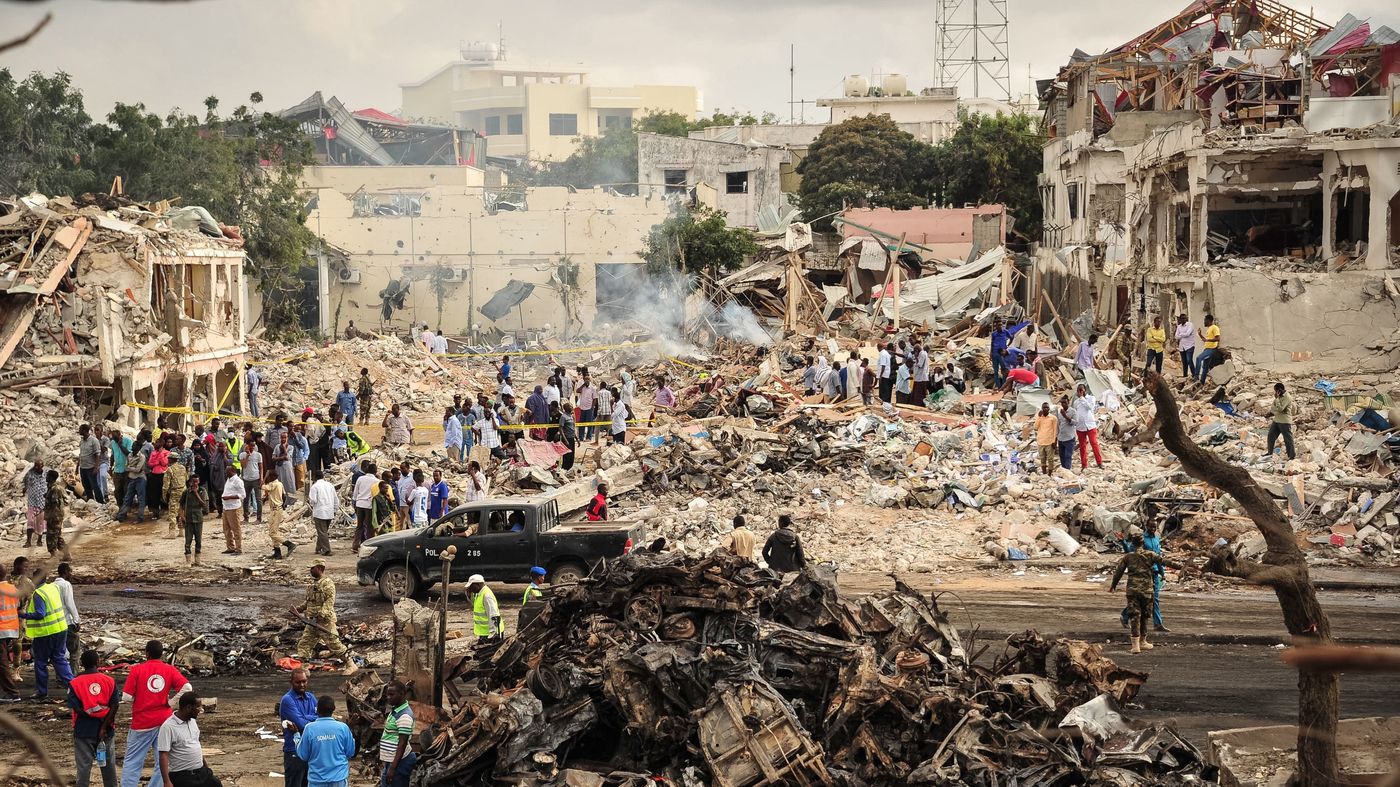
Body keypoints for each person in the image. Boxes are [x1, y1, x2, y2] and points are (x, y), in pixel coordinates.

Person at [119, 640, 191, 787]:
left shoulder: (137, 670)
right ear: (162, 654)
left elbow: (126, 697)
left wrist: (139, 698)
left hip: (142, 722)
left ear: (146, 654)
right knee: (163, 760)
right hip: (164, 721)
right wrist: (171, 703)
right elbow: (187, 687)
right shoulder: (169, 669)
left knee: (133, 761)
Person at [1108, 531, 1185, 654]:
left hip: (1132, 590)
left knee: (1134, 616)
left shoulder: (1128, 557)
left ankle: (1135, 646)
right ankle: (1143, 641)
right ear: (1143, 543)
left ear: (1132, 543)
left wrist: (1113, 586)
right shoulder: (1150, 555)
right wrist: (1182, 566)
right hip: (1147, 590)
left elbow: (1119, 572)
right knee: (1145, 616)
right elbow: (1164, 562)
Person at [19, 570, 75, 699]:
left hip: (46, 633)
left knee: (40, 662)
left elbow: (40, 614)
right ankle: (74, 688)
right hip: (61, 629)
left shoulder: (38, 594)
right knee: (59, 659)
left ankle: (42, 691)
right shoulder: (53, 588)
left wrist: (23, 614)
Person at [69, 649, 119, 787]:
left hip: (83, 730)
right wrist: (103, 726)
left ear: (81, 663)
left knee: (84, 767)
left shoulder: (75, 683)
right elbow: (115, 705)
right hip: (106, 730)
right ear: (98, 662)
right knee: (108, 767)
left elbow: (77, 708)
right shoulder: (109, 680)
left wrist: (91, 714)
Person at [1118, 521, 1170, 633]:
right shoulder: (1141, 539)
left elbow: (1158, 559)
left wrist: (1162, 573)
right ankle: (1126, 615)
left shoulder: (1156, 539)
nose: (1153, 529)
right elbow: (1130, 553)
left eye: (1154, 527)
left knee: (1154, 598)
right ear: (1146, 526)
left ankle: (1157, 624)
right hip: (1145, 573)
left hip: (1155, 572)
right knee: (1143, 598)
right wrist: (1123, 542)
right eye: (1151, 526)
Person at [156, 692, 215, 787]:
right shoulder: (168, 727)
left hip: (201, 772)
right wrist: (166, 781)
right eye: (198, 707)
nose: (200, 710)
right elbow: (163, 754)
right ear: (188, 708)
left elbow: (196, 745)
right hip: (182, 776)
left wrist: (206, 768)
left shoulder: (192, 722)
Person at [296, 694, 355, 787]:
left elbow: (303, 755)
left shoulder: (309, 728)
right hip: (338, 780)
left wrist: (296, 736)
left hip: (317, 781)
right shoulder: (343, 728)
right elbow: (350, 752)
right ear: (333, 709)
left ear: (317, 710)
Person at [294, 559, 348, 662]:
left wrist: (322, 614)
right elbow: (309, 601)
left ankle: (350, 664)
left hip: (324, 622)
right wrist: (300, 608)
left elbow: (329, 601)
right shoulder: (312, 584)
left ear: (319, 568)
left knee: (334, 644)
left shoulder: (327, 583)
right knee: (304, 643)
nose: (310, 570)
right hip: (312, 621)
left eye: (312, 568)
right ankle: (304, 668)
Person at [279, 669, 317, 787]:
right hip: (294, 752)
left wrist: (304, 716)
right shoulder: (287, 700)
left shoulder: (311, 697)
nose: (302, 685)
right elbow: (301, 725)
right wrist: (312, 718)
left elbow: (320, 718)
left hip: (310, 751)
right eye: (298, 682)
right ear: (291, 682)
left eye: (304, 681)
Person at [378, 680, 416, 787]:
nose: (388, 697)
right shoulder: (395, 710)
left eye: (392, 694)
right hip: (393, 761)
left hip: (400, 762)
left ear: (402, 694)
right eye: (387, 695)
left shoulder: (404, 716)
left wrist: (393, 767)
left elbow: (402, 743)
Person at [264, 473, 296, 560]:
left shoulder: (272, 484)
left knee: (272, 533)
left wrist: (264, 477)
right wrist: (283, 505)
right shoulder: (280, 484)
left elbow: (261, 486)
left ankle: (289, 544)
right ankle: (277, 552)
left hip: (275, 510)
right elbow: (284, 495)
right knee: (274, 531)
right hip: (278, 509)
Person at [1071, 384, 1104, 470]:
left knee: (1094, 443)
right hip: (1080, 426)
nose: (1080, 392)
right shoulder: (1076, 402)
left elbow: (1090, 407)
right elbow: (1075, 412)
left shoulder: (1091, 398)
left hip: (1090, 425)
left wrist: (1082, 398)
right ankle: (1084, 465)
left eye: (1081, 390)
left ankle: (1099, 462)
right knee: (1082, 446)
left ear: (1085, 390)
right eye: (1078, 391)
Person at [177, 476, 208, 566]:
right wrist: (182, 515)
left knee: (198, 540)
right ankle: (188, 560)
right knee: (188, 541)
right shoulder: (186, 492)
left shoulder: (202, 491)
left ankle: (197, 560)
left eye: (197, 482)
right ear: (190, 482)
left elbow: (204, 505)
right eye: (193, 482)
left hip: (198, 518)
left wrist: (196, 494)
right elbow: (181, 504)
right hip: (188, 519)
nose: (195, 484)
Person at [991, 319, 1030, 387]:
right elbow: (992, 343)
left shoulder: (1005, 332)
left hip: (1002, 355)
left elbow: (1011, 338)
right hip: (995, 353)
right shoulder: (994, 334)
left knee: (1004, 370)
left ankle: (1004, 385)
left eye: (1001, 325)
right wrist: (991, 353)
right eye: (999, 325)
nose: (1000, 326)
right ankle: (998, 386)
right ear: (996, 326)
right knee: (996, 371)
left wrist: (1008, 345)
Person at [0, 563, 19, 702]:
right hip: (11, 628)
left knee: (2, 662)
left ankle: (12, 693)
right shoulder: (12, 588)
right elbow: (17, 605)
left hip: (1, 629)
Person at [306, 472, 337, 557]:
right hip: (329, 511)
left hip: (320, 512)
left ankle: (327, 550)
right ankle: (318, 548)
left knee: (322, 532)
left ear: (315, 477)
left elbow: (313, 501)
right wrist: (335, 509)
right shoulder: (330, 485)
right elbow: (335, 498)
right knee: (323, 531)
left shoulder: (314, 487)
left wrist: (311, 504)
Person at [54, 562, 81, 657]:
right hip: (67, 622)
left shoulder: (53, 585)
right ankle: (73, 672)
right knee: (75, 651)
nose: (71, 574)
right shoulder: (66, 584)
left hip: (56, 623)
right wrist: (76, 620)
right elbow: (69, 603)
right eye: (70, 571)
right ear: (65, 572)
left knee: (60, 651)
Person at [351, 462, 378, 550]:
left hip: (359, 504)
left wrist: (355, 501)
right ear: (375, 471)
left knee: (359, 526)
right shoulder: (376, 481)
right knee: (369, 526)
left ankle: (355, 545)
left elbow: (355, 492)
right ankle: (368, 545)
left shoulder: (360, 479)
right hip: (369, 505)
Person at [465, 575, 501, 640]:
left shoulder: (487, 595)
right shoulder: (479, 593)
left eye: (471, 586)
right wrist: (469, 595)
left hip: (491, 633)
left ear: (478, 584)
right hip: (485, 632)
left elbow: (493, 614)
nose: (470, 588)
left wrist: (493, 632)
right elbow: (476, 605)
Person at [1268, 382, 1298, 460]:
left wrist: (1277, 400)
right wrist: (1276, 407)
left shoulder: (1287, 397)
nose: (1275, 393)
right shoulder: (1279, 397)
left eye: (1276, 391)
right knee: (1271, 436)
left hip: (1285, 421)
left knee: (1287, 439)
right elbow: (1273, 407)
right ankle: (1269, 453)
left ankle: (1291, 456)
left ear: (1279, 390)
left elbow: (1281, 408)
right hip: (1277, 419)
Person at [219, 466, 245, 555]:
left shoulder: (238, 481)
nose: (225, 472)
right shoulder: (229, 480)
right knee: (226, 529)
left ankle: (239, 548)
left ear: (232, 471)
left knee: (236, 529)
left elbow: (242, 495)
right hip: (226, 507)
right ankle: (230, 547)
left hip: (233, 508)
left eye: (227, 471)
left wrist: (229, 497)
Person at [44, 468, 69, 559]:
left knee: (51, 536)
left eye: (47, 476)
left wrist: (51, 516)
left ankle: (54, 554)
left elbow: (54, 503)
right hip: (54, 515)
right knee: (57, 535)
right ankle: (65, 554)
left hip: (54, 516)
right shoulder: (51, 487)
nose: (45, 477)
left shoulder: (54, 488)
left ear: (51, 477)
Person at [78, 424, 105, 503]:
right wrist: (77, 467)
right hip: (83, 467)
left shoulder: (94, 441)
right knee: (86, 486)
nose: (79, 431)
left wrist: (96, 467)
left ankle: (100, 502)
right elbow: (81, 454)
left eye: (80, 429)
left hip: (91, 468)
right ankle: (91, 501)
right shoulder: (82, 441)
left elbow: (97, 455)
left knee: (95, 486)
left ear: (84, 430)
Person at [24, 459, 46, 548]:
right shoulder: (30, 474)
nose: (38, 467)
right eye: (36, 466)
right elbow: (25, 481)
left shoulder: (45, 474)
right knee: (30, 522)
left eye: (39, 466)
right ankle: (28, 541)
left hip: (42, 502)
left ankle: (39, 540)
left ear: (42, 466)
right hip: (32, 502)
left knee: (41, 523)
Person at [1033, 403, 1059, 476]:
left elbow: (1055, 431)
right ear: (1042, 408)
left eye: (1047, 407)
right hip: (1041, 441)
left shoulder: (1053, 418)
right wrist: (1039, 417)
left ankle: (1050, 474)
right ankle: (1044, 474)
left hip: (1050, 442)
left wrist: (1054, 441)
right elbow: (1035, 427)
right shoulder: (1040, 418)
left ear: (1049, 409)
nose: (1045, 409)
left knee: (1050, 459)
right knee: (1042, 459)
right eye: (1044, 408)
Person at [1194, 314, 1221, 384]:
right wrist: (1200, 334)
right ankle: (1202, 382)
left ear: (1209, 320)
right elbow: (1205, 340)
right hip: (1207, 349)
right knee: (1205, 367)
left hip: (1211, 349)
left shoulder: (1214, 327)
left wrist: (1208, 340)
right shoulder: (1209, 329)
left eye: (1205, 320)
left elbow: (1218, 338)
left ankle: (1196, 376)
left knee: (1198, 358)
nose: (1204, 322)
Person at [1055, 396, 1077, 471]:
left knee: (1068, 456)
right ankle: (1064, 470)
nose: (1063, 404)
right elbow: (1058, 424)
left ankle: (1067, 470)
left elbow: (1075, 422)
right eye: (1062, 403)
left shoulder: (1073, 411)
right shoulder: (1059, 412)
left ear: (1068, 402)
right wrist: (1057, 436)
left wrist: (1065, 416)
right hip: (1061, 437)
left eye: (1065, 402)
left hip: (1069, 437)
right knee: (1062, 456)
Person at [1173, 314, 1195, 379]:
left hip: (1190, 346)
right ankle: (1185, 376)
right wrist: (1183, 335)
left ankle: (1194, 375)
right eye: (1182, 318)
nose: (1183, 320)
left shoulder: (1190, 325)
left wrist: (1181, 334)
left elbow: (1188, 334)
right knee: (1184, 362)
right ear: (1180, 319)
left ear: (1186, 319)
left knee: (1189, 360)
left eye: (1184, 318)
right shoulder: (1179, 326)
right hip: (1182, 347)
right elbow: (1176, 336)